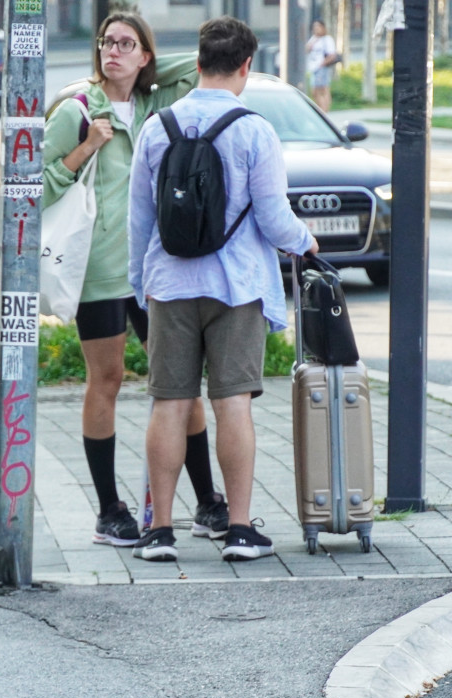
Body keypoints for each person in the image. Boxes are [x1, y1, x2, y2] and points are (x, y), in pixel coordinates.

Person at [128, 16, 318, 562]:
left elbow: (138, 222)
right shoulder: (254, 129)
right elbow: (275, 218)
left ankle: (159, 532)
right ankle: (238, 530)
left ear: (197, 64)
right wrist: (306, 243)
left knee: (169, 403)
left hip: (169, 283)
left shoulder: (156, 128)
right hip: (236, 286)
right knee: (233, 403)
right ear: (245, 66)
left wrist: (143, 287)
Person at [42, 11, 230, 550]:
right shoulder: (77, 110)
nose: (113, 51)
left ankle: (208, 503)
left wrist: (144, 67)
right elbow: (31, 185)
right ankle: (109, 510)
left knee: (178, 382)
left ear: (145, 55)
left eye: (126, 44)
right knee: (108, 379)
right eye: (106, 42)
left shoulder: (154, 104)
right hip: (100, 270)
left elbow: (195, 71)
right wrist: (86, 147)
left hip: (151, 268)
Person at [306, 19, 339, 112]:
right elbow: (307, 49)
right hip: (313, 68)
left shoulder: (327, 39)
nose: (316, 29)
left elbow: (332, 55)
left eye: (318, 27)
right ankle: (320, 109)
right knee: (314, 91)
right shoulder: (314, 39)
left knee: (323, 89)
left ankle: (325, 110)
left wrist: (322, 63)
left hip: (322, 68)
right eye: (314, 27)